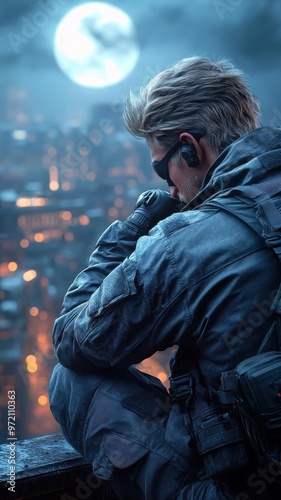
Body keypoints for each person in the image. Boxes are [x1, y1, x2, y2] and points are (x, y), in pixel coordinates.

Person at [49, 56, 281, 499]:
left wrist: (135, 227)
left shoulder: (186, 245)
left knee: (69, 378)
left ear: (191, 148)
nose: (172, 189)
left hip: (241, 489)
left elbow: (72, 341)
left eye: (163, 167)